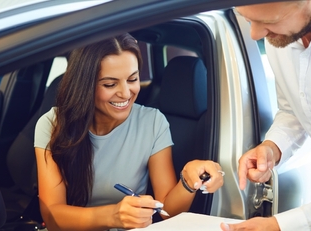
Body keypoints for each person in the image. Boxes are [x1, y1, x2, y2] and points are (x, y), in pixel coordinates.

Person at [34, 33, 224, 231]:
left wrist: (187, 180)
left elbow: (166, 212)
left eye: (132, 79)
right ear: (84, 86)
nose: (126, 93)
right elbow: (52, 215)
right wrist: (113, 216)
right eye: (110, 84)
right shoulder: (53, 123)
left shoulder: (153, 122)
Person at [220, 0, 311, 230]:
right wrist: (272, 147)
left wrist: (280, 225)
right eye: (248, 20)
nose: (255, 35)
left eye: (269, 21)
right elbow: (292, 110)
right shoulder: (279, 36)